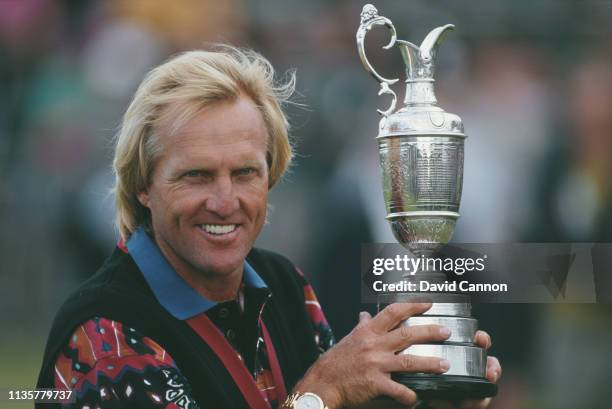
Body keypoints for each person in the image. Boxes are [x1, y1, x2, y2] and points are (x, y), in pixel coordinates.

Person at [36, 46, 501, 409]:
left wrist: (414, 396)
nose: (224, 202)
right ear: (143, 185)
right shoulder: (106, 336)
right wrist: (323, 390)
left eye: (245, 174)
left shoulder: (286, 287)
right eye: (196, 175)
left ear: (271, 176)